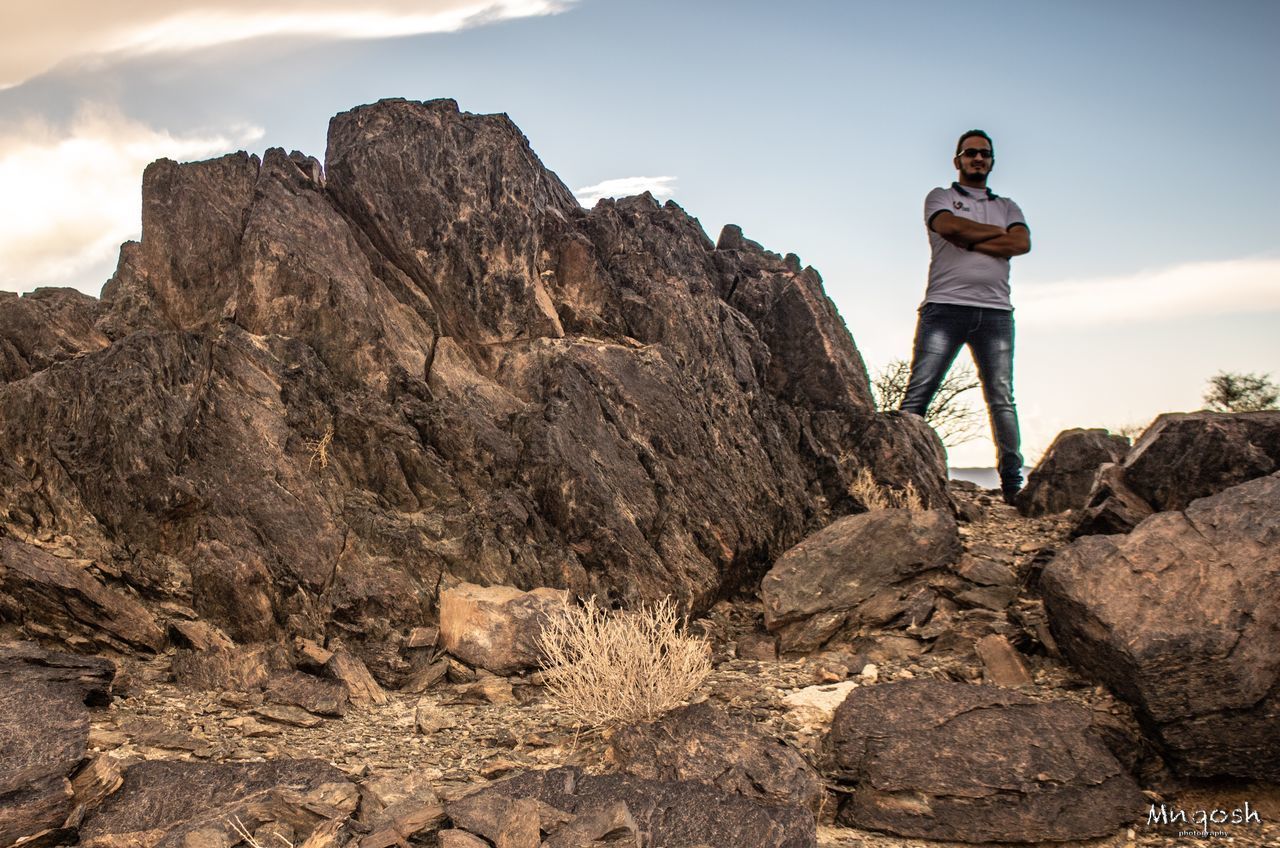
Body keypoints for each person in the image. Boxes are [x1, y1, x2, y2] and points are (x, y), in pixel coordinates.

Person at [900, 129, 1031, 505]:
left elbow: (1021, 243)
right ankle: (899, 472)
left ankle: (1013, 486)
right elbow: (948, 226)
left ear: (991, 161)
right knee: (919, 391)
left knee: (1002, 398)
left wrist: (970, 239)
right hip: (945, 307)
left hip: (996, 313)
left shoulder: (1008, 205)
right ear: (957, 160)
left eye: (985, 154)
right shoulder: (941, 197)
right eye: (971, 153)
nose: (978, 159)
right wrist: (994, 239)